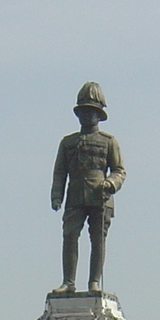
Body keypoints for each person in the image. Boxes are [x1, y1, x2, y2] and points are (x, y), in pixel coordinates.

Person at [50, 81, 125, 294]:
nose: (87, 116)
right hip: (75, 195)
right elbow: (60, 173)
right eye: (83, 111)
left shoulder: (109, 142)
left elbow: (119, 170)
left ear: (99, 114)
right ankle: (68, 282)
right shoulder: (67, 142)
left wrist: (110, 183)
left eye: (91, 112)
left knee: (98, 239)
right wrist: (57, 196)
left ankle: (94, 282)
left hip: (100, 196)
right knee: (70, 236)